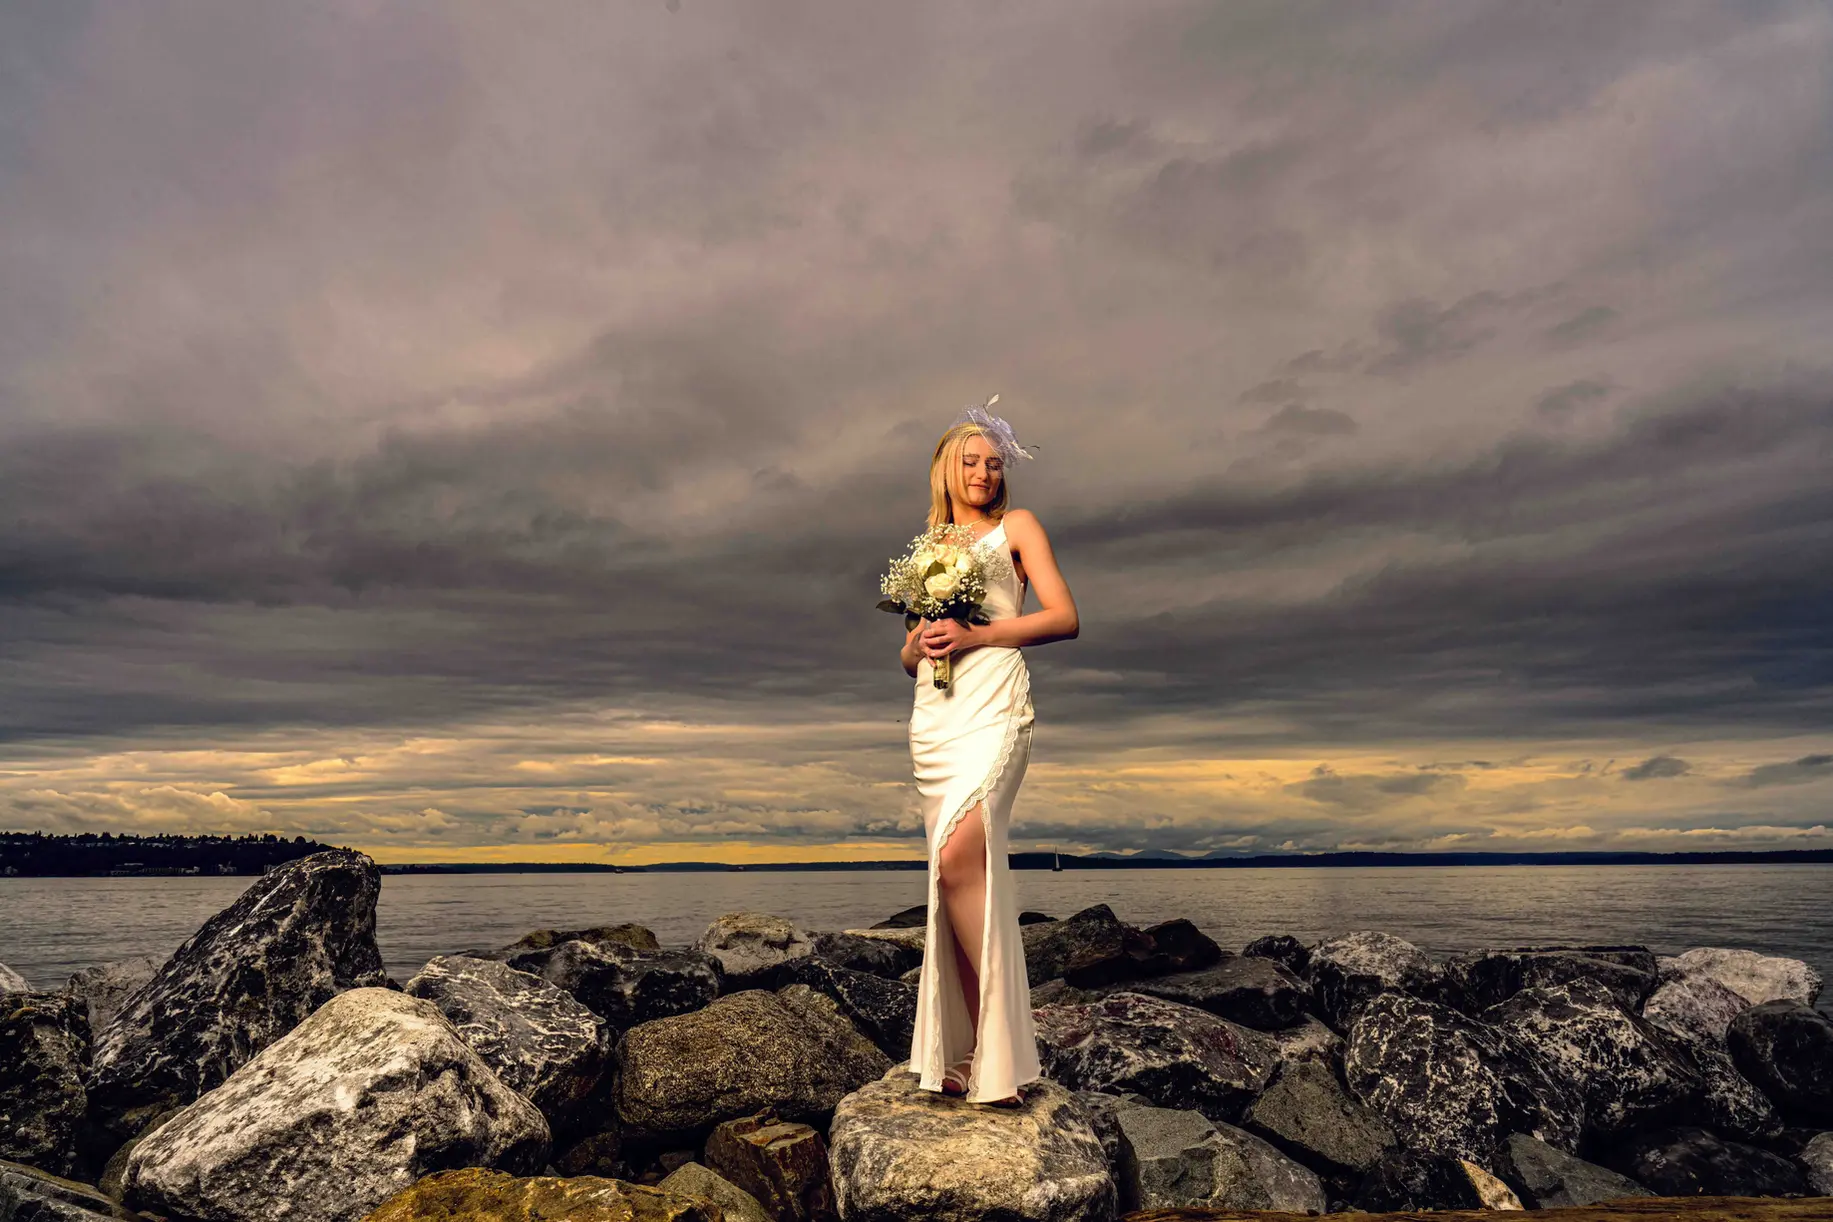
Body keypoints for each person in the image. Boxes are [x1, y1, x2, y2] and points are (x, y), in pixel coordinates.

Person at [900, 397, 1079, 1106]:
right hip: (935, 716)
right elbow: (907, 653)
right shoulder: (927, 551)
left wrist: (974, 636)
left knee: (957, 859)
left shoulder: (1018, 527)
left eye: (993, 463)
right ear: (946, 467)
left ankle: (999, 1057)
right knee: (950, 878)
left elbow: (1064, 617)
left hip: (995, 707)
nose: (983, 471)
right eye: (970, 461)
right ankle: (969, 1050)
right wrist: (922, 639)